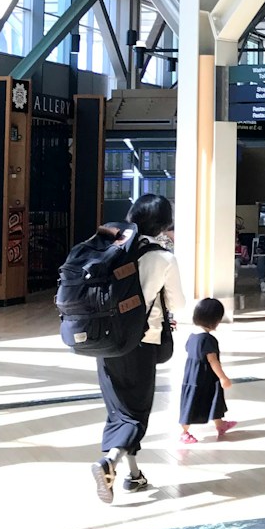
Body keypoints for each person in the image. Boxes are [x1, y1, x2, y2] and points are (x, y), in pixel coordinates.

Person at [92, 193, 182, 504]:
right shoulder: (163, 257)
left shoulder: (112, 246)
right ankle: (110, 462)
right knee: (136, 412)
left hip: (105, 339)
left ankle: (134, 474)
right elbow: (179, 302)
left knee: (119, 409)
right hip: (142, 341)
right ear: (163, 223)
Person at [178, 297, 236, 444]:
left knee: (212, 400)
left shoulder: (192, 337)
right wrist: (223, 377)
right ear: (214, 320)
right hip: (203, 378)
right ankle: (183, 432)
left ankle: (220, 425)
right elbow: (212, 360)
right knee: (195, 403)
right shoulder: (208, 339)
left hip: (192, 376)